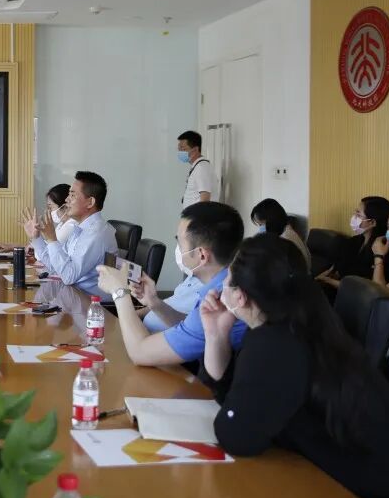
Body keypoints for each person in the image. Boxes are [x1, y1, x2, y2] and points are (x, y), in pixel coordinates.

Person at [199, 234, 389, 498]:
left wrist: (231, 414)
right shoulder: (302, 318)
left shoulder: (277, 342)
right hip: (349, 477)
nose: (221, 285)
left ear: (239, 296)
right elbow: (230, 394)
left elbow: (237, 437)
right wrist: (216, 335)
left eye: (228, 277)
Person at [98, 201, 246, 366]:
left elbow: (140, 353)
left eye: (180, 243)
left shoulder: (220, 299)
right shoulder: (225, 283)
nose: (179, 249)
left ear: (202, 255)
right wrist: (154, 303)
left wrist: (119, 292)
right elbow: (190, 325)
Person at [21, 171, 117, 297]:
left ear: (90, 202)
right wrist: (36, 238)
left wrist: (52, 240)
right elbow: (56, 267)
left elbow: (68, 276)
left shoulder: (97, 233)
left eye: (72, 195)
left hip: (91, 304)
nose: (66, 200)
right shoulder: (81, 228)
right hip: (73, 296)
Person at [317, 196, 389, 292]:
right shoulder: (352, 242)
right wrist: (328, 275)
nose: (354, 217)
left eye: (358, 214)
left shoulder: (382, 249)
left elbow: (368, 289)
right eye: (355, 212)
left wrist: (329, 281)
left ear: (372, 222)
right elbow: (337, 270)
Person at [250, 197, 311, 270]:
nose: (260, 229)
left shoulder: (285, 239)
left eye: (261, 224)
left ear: (271, 221)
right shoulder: (286, 231)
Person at [177, 130, 216, 209]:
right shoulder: (197, 167)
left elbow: (205, 198)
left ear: (195, 149)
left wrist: (198, 217)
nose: (180, 152)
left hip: (199, 216)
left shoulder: (202, 168)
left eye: (183, 149)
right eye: (179, 149)